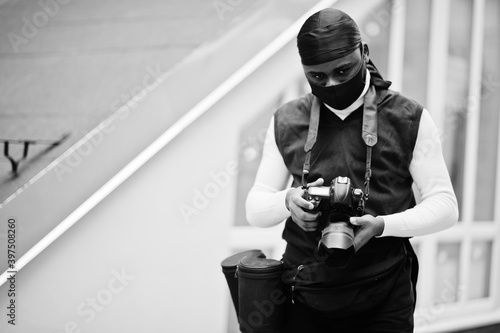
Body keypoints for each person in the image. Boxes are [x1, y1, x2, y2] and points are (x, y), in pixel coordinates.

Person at [245, 7, 458, 333]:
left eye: (343, 71)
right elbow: (255, 210)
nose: (331, 83)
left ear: (364, 53)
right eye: (317, 77)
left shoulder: (408, 117)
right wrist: (287, 201)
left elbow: (445, 206)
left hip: (384, 293)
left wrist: (382, 225)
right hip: (306, 290)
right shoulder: (286, 121)